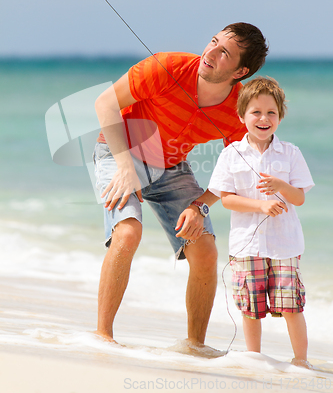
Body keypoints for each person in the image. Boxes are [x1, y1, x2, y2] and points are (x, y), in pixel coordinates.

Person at [93, 22, 269, 352]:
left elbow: (236, 167)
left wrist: (200, 206)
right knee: (128, 233)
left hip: (172, 166)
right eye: (213, 42)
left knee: (205, 250)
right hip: (119, 152)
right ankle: (102, 337)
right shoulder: (166, 67)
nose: (210, 53)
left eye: (224, 53)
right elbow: (104, 103)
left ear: (240, 71)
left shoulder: (238, 108)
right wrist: (125, 167)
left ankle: (195, 348)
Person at [208, 77, 314, 367]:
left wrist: (280, 185)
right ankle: (254, 358)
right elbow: (226, 198)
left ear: (280, 117)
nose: (264, 118)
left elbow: (299, 198)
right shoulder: (231, 154)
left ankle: (301, 361)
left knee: (291, 305)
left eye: (271, 113)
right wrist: (260, 205)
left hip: (285, 244)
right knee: (251, 307)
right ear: (242, 116)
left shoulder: (290, 153)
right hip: (246, 244)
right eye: (256, 112)